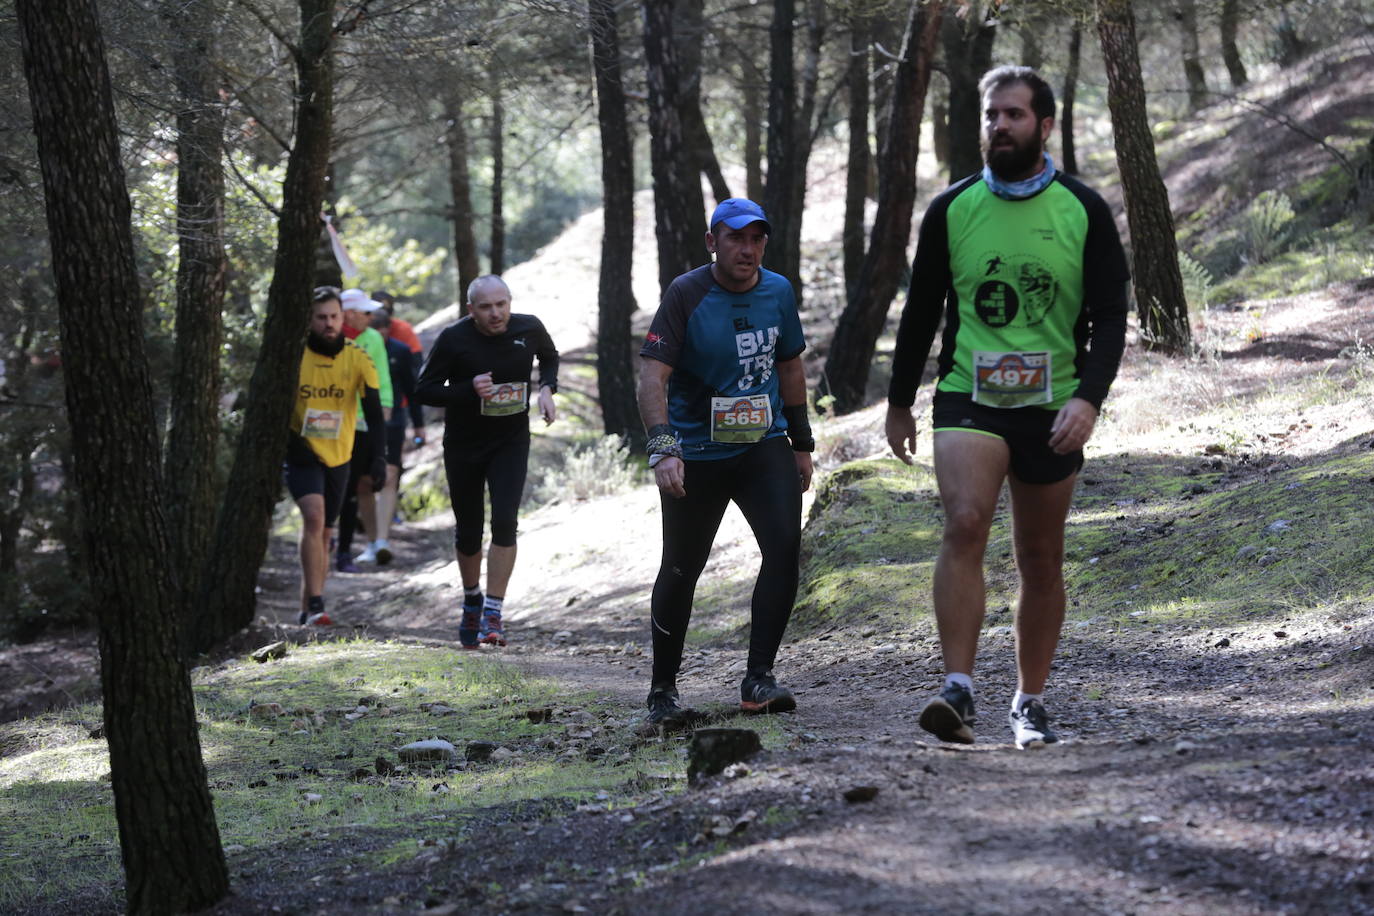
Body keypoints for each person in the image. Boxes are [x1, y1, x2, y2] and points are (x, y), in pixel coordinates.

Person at [885, 66, 1129, 750]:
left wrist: (1089, 398)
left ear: (1045, 126)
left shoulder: (1081, 210)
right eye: (992, 115)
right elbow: (922, 310)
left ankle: (1029, 703)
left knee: (1041, 558)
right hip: (971, 396)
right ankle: (957, 688)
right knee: (964, 524)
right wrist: (901, 401)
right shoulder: (952, 209)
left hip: (1052, 405)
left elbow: (1111, 315)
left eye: (1014, 115)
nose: (999, 126)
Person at [636, 197, 816, 726]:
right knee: (681, 568)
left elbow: (789, 368)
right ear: (713, 242)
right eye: (736, 238)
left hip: (763, 446)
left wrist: (801, 444)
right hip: (697, 455)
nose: (748, 248)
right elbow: (653, 378)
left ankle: (759, 678)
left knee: (784, 549)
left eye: (757, 238)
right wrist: (664, 448)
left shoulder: (778, 291)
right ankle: (662, 692)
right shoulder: (687, 293)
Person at [415, 275, 558, 648]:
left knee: (506, 521)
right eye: (485, 307)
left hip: (510, 440)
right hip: (464, 444)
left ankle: (493, 611)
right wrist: (466, 390)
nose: (496, 314)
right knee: (469, 528)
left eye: (501, 304)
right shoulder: (454, 338)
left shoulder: (529, 327)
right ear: (471, 310)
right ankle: (471, 599)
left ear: (510, 302)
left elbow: (550, 356)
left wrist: (546, 389)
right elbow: (424, 389)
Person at [284, 286, 386, 624]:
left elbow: (373, 410)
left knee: (325, 532)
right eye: (321, 317)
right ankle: (315, 604)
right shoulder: (294, 355)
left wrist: (379, 457)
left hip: (340, 453)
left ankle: (307, 609)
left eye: (334, 317)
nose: (328, 324)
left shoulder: (358, 356)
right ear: (309, 320)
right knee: (313, 517)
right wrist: (290, 441)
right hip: (302, 450)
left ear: (343, 317)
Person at [335, 288, 394, 569]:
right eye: (366, 312)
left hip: (363, 425)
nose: (371, 317)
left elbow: (382, 378)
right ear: (349, 313)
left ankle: (344, 551)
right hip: (330, 425)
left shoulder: (372, 339)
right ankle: (329, 541)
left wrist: (383, 408)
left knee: (355, 485)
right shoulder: (330, 337)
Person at [368, 310, 419, 561]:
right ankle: (368, 537)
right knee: (365, 479)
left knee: (389, 475)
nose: (379, 335)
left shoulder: (400, 351)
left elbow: (413, 389)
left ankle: (381, 540)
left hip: (394, 422)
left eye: (383, 329)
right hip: (362, 422)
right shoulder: (358, 348)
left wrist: (418, 425)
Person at [372, 290, 426, 448]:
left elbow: (414, 370)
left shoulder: (403, 331)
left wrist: (418, 421)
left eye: (386, 310)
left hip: (398, 402)